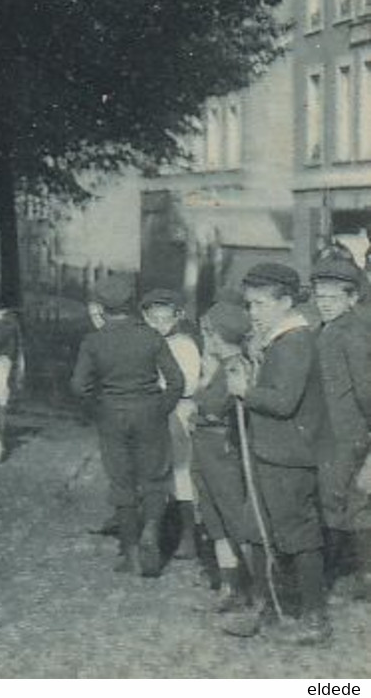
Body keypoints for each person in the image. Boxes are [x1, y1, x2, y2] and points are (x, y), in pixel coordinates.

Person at [222, 262, 332, 645]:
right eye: (250, 305)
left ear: (286, 302)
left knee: (298, 535)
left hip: (289, 456)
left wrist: (245, 392)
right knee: (255, 531)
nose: (254, 313)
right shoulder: (277, 340)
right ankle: (263, 605)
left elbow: (284, 402)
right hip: (268, 451)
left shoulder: (296, 341)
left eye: (262, 305)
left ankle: (315, 619)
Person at [70, 274, 184, 577]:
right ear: (132, 304)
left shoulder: (94, 341)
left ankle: (131, 553)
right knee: (154, 479)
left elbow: (79, 386)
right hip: (149, 413)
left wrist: (99, 408)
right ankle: (151, 528)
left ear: (103, 308)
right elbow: (177, 382)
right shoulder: (151, 337)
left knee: (122, 483)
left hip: (111, 415)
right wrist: (160, 408)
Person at [309, 256, 371, 602]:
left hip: (345, 432)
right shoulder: (325, 329)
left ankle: (338, 576)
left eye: (332, 298)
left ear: (351, 299)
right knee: (342, 501)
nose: (324, 304)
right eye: (319, 297)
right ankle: (356, 573)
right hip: (326, 431)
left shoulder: (353, 334)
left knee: (339, 501)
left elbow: (366, 389)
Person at [191, 300, 256, 613]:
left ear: (217, 336)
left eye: (208, 333)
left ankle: (254, 586)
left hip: (222, 451)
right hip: (205, 447)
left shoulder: (235, 366)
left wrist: (203, 393)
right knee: (214, 519)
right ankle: (230, 584)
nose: (206, 339)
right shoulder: (220, 365)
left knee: (233, 518)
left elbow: (215, 407)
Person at [139, 288, 201, 561]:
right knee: (153, 471)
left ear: (178, 317)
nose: (160, 325)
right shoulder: (144, 342)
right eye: (154, 319)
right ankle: (155, 528)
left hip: (178, 410)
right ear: (145, 317)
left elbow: (187, 383)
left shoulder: (184, 345)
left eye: (166, 319)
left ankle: (188, 535)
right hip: (151, 412)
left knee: (181, 473)